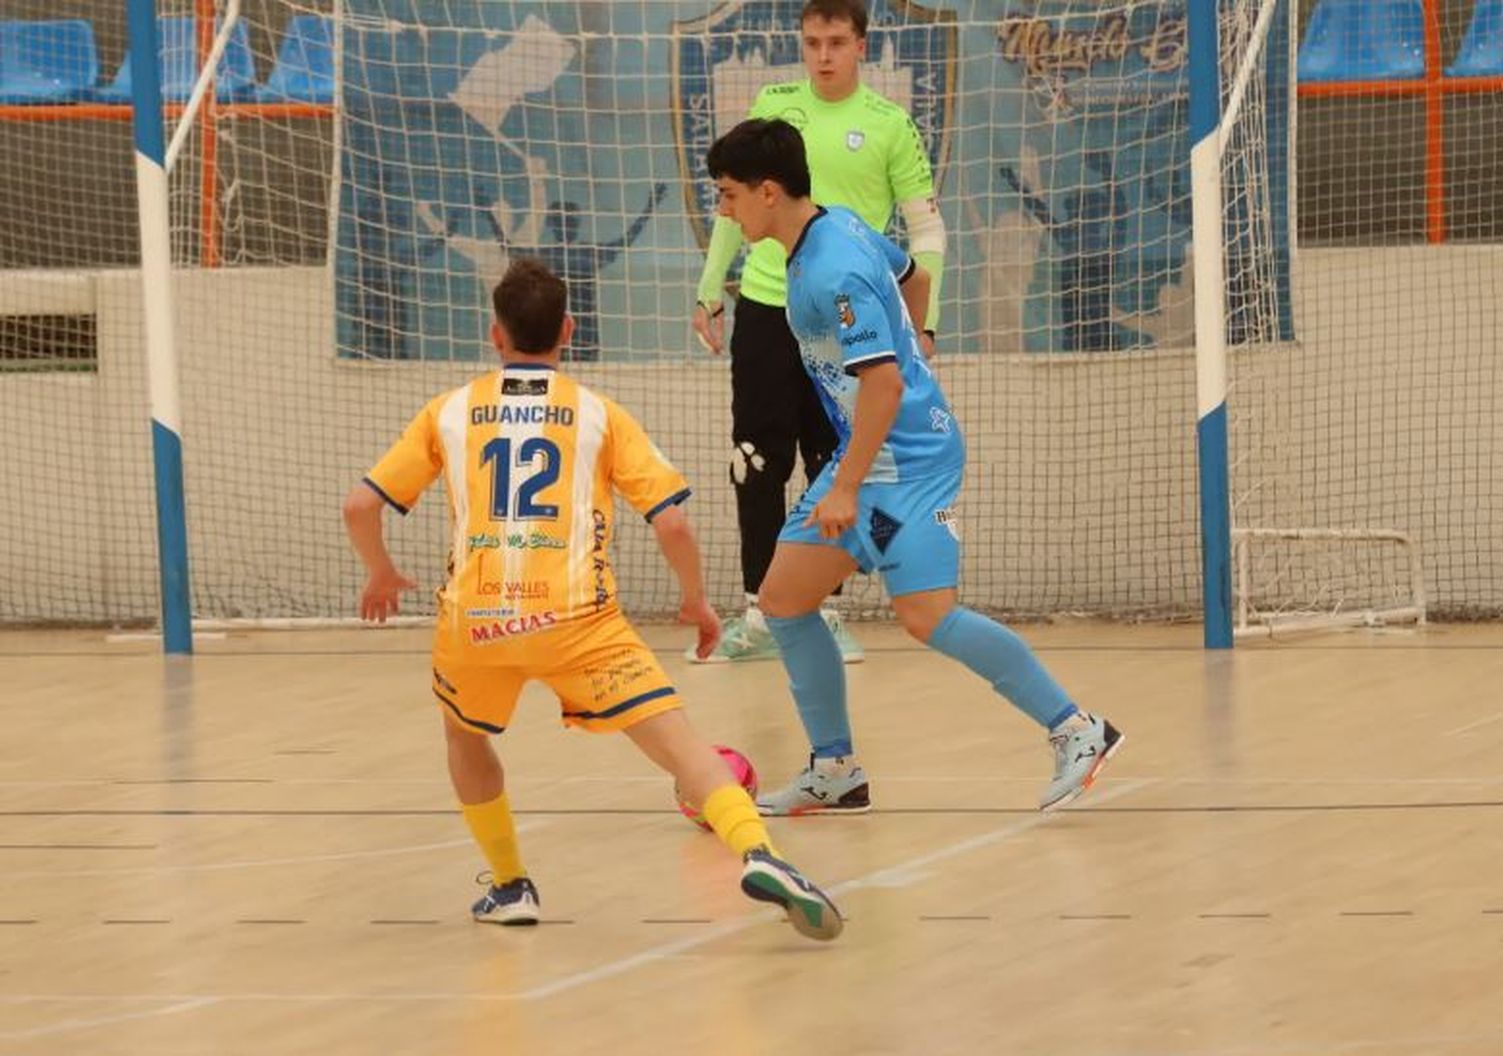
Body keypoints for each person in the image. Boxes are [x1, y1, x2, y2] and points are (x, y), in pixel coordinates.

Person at [341, 258, 843, 940]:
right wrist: (696, 602)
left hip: (476, 619)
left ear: (495, 335)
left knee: (465, 736)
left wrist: (380, 573)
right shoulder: (598, 415)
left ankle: (512, 884)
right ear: (569, 330)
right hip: (578, 619)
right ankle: (760, 852)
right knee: (678, 742)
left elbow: (359, 505)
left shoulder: (450, 411)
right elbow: (671, 521)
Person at [705, 118, 1124, 816]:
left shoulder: (832, 268)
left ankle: (1079, 730)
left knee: (927, 616)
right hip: (867, 454)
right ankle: (834, 767)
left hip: (909, 462)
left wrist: (845, 482)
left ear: (768, 192)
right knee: (782, 600)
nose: (723, 209)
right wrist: (917, 339)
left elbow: (885, 384)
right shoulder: (835, 230)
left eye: (727, 195)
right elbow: (913, 276)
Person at [689, 0, 948, 663]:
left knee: (830, 457)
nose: (823, 54)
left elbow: (924, 233)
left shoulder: (890, 125)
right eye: (812, 43)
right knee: (754, 456)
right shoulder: (774, 107)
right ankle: (757, 609)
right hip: (770, 306)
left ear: (862, 46)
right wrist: (710, 286)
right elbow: (731, 201)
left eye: (836, 41)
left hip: (846, 318)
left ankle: (820, 609)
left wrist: (925, 325)